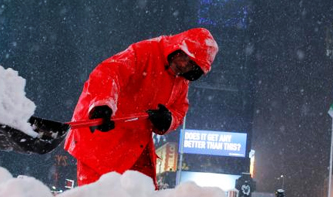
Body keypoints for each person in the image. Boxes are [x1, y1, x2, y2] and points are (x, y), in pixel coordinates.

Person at [64, 28, 219, 187]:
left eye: (191, 67)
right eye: (185, 59)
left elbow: (180, 109)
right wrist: (103, 104)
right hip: (100, 138)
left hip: (134, 144)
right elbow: (109, 72)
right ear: (178, 49)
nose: (184, 66)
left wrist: (168, 120)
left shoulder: (181, 80)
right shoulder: (145, 52)